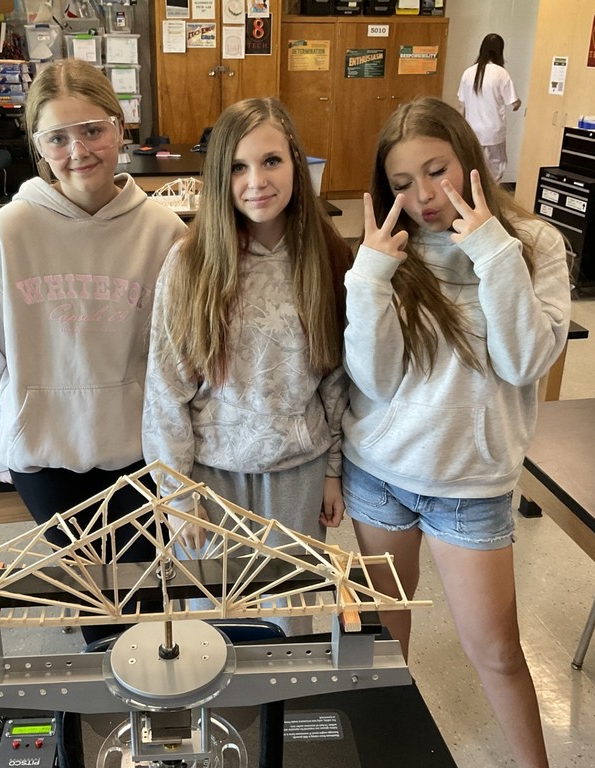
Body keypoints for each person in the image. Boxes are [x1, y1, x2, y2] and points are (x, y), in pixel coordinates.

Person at [342, 97, 570, 767]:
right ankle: (382, 751)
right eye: (402, 183)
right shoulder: (391, 252)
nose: (422, 197)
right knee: (386, 636)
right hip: (379, 474)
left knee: (496, 650)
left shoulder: (531, 243)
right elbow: (375, 379)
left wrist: (493, 252)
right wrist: (370, 273)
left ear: (468, 158)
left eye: (435, 171)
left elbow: (525, 361)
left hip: (470, 484)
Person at [0, 59, 187, 618]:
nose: (78, 151)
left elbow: (184, 356)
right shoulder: (9, 231)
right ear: (38, 146)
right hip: (45, 455)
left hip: (140, 453)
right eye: (57, 137)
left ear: (120, 127)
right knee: (101, 606)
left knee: (143, 601)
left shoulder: (165, 232)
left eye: (92, 130)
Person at [142, 97, 353, 636]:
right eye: (238, 166)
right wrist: (177, 496)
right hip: (212, 481)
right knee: (208, 628)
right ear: (219, 177)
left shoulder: (327, 256)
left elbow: (335, 379)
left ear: (295, 165)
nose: (256, 180)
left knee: (290, 624)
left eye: (271, 161)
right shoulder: (190, 263)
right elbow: (166, 390)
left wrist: (333, 471)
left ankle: (275, 722)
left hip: (297, 475)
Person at [457, 33, 522, 182]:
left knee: (473, 168)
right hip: (493, 131)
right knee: (495, 170)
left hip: (472, 131)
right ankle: (491, 200)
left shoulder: (468, 73)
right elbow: (514, 102)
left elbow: (461, 105)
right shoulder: (501, 73)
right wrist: (519, 103)